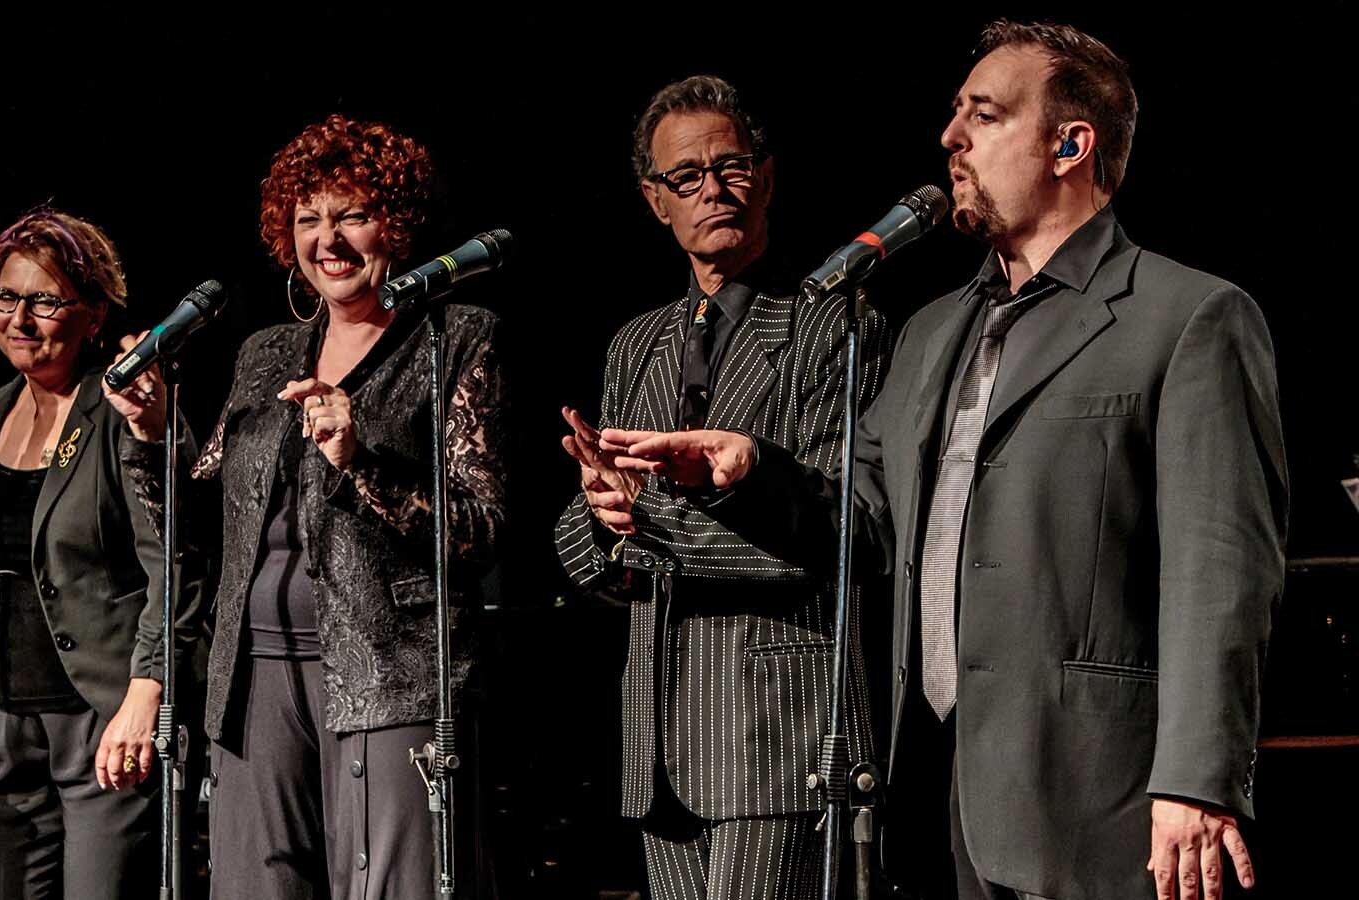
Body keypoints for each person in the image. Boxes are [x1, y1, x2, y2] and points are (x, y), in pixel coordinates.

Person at [607, 22, 1286, 900]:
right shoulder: (933, 331)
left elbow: (1221, 571)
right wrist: (748, 473)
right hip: (933, 791)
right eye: (954, 115)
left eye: (984, 116)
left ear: (1070, 145)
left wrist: (1196, 779)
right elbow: (867, 523)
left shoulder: (1186, 316)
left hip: (1097, 799)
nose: (950, 138)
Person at [552, 75, 889, 899]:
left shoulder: (833, 324)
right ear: (655, 201)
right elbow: (581, 542)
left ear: (765, 178)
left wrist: (648, 520)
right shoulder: (636, 344)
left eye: (731, 166)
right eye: (687, 176)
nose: (713, 188)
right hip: (659, 747)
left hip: (777, 735)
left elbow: (841, 534)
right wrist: (601, 515)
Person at [198, 113, 508, 900]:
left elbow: (480, 530)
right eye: (308, 219)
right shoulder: (265, 352)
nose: (328, 240)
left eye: (352, 215)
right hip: (252, 677)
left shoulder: (454, 339)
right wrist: (146, 434)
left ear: (394, 224)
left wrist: (359, 460)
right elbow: (202, 502)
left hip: (391, 670)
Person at [0, 206, 203, 899]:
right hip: (1, 722)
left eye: (45, 301)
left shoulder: (124, 409)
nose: (20, 318)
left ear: (94, 314)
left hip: (102, 727)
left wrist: (147, 691)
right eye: (7, 297)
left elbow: (179, 559)